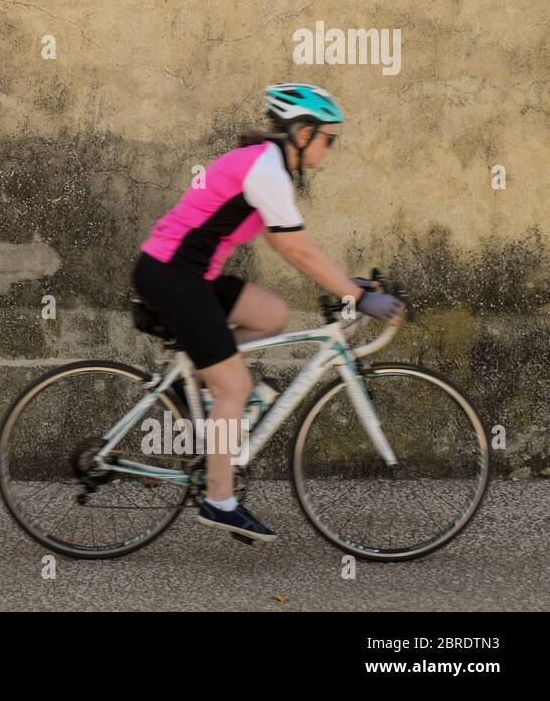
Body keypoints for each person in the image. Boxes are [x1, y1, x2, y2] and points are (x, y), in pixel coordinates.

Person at [131, 83, 404, 542]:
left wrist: (346, 285)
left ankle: (197, 377)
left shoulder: (271, 166)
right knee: (235, 386)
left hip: (192, 275)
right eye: (328, 138)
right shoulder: (266, 168)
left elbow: (285, 241)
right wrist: (357, 298)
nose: (330, 149)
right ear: (302, 132)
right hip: (171, 274)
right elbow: (298, 250)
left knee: (271, 313)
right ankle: (220, 502)